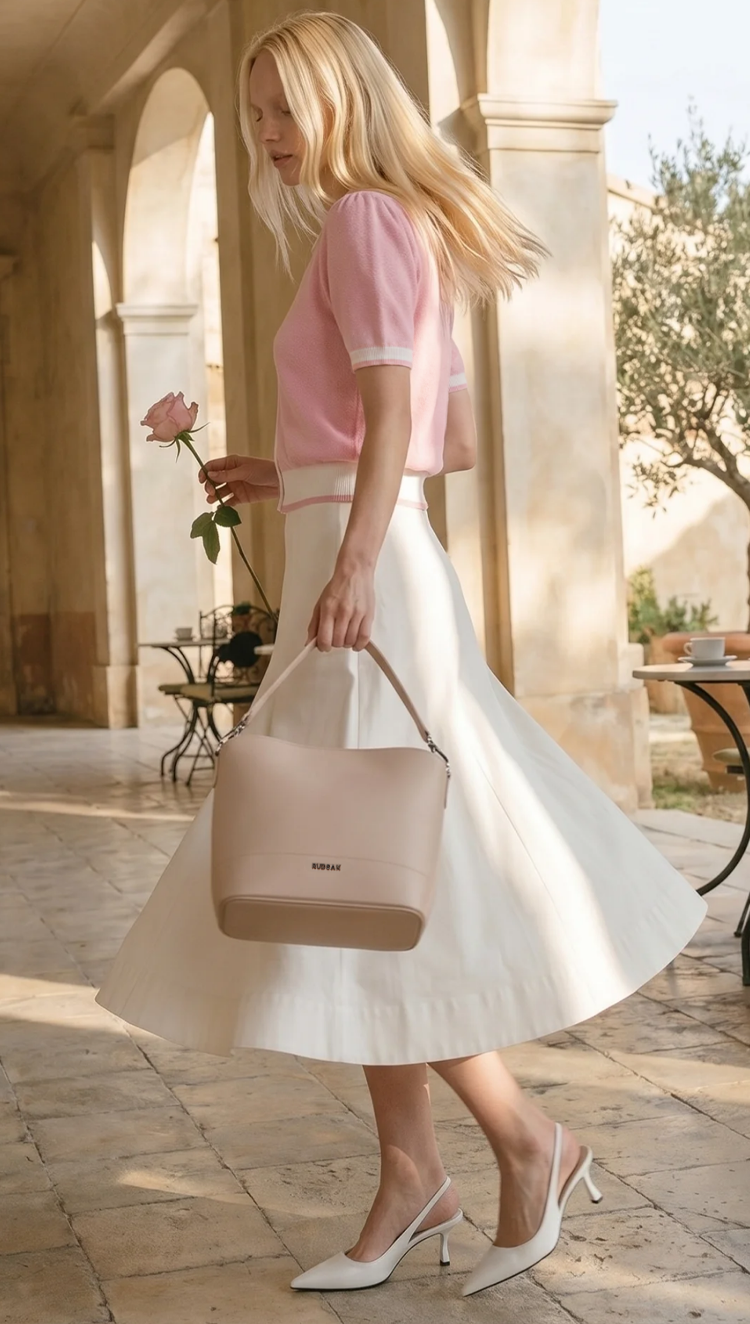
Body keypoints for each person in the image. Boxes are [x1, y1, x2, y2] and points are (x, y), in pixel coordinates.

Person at [96, 11, 707, 1297]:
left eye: (284, 108)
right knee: (351, 881)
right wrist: (291, 476)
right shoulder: (401, 226)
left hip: (370, 577)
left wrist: (356, 556)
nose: (266, 134)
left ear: (342, 102)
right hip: (371, 555)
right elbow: (447, 441)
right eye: (254, 112)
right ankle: (414, 1171)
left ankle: (524, 1141)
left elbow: (390, 419)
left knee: (361, 874)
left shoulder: (366, 221)